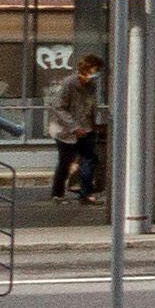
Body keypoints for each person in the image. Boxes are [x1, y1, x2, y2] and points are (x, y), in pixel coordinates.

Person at [45, 53, 103, 206]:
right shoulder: (69, 84)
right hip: (66, 131)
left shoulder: (92, 86)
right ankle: (57, 193)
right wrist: (74, 127)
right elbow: (59, 107)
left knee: (88, 160)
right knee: (65, 162)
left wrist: (93, 125)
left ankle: (86, 193)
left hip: (87, 129)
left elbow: (90, 106)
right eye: (94, 70)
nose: (96, 74)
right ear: (85, 69)